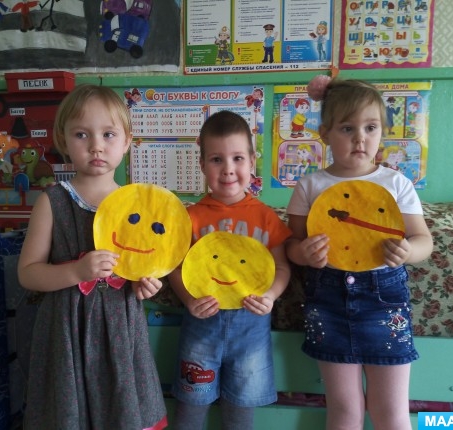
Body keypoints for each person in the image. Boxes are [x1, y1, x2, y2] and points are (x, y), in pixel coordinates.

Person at [286, 76, 433, 430]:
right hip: (328, 302)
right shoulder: (310, 185)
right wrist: (304, 253)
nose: (360, 138)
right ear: (325, 133)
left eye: (370, 127)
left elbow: (423, 240)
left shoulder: (396, 183)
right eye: (347, 128)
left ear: (382, 131)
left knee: (391, 412)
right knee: (344, 410)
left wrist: (407, 251)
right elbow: (291, 245)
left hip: (384, 300)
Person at [17, 84, 167, 430]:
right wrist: (76, 271)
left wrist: (145, 284)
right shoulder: (52, 201)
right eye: (82, 134)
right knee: (69, 411)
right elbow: (28, 273)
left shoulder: (137, 205)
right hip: (66, 329)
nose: (96, 145)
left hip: (121, 327)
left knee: (122, 407)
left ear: (127, 142)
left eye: (108, 134)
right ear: (63, 140)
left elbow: (142, 266)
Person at [168, 110, 292, 430]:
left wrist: (271, 295)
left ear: (252, 162)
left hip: (251, 325)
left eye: (237, 158)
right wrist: (188, 300)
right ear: (202, 165)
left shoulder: (265, 217)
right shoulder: (190, 218)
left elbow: (281, 266)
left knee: (240, 413)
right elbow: (175, 267)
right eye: (216, 160)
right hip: (201, 323)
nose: (228, 169)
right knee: (190, 408)